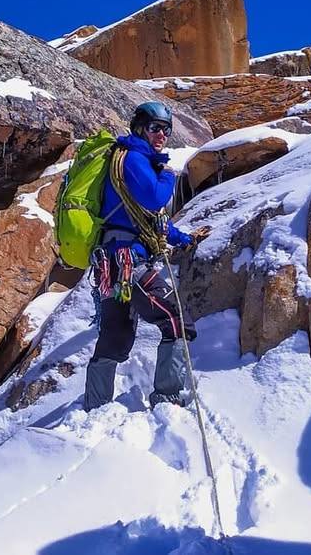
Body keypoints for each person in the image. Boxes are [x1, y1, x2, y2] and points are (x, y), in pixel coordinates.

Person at [84, 101, 206, 411]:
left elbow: (153, 222)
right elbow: (154, 199)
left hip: (112, 264)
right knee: (176, 319)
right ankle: (168, 397)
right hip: (130, 262)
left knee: (116, 336)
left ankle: (95, 407)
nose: (162, 135)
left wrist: (184, 239)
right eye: (155, 128)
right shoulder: (135, 158)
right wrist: (168, 176)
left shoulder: (132, 160)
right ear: (140, 128)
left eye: (166, 130)